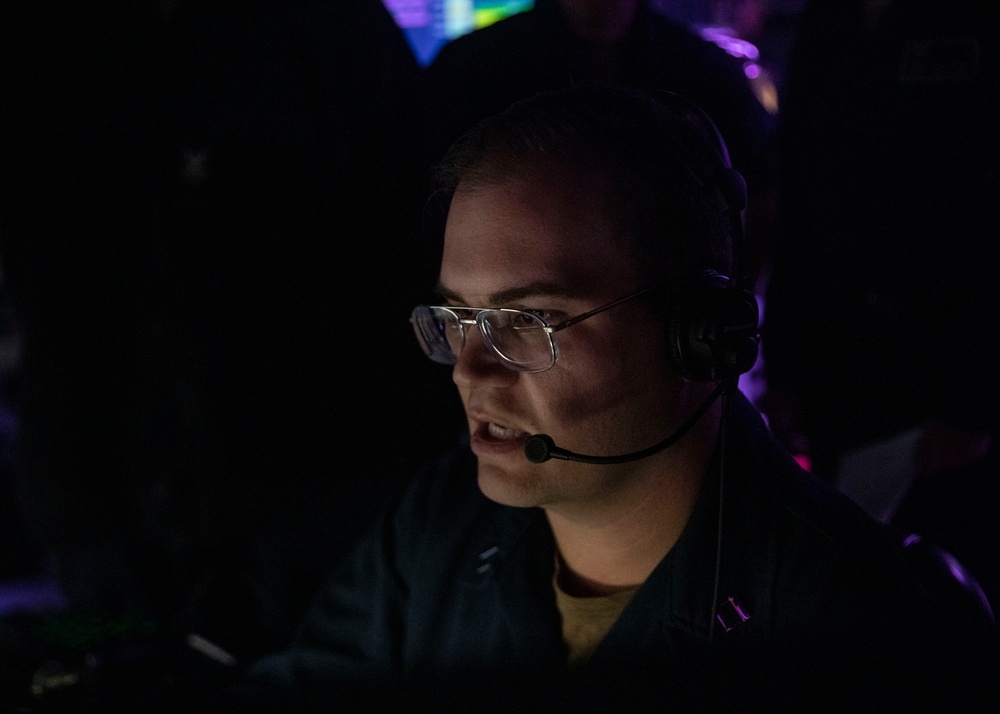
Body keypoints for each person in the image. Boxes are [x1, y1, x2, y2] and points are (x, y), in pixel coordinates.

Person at [238, 84, 998, 710]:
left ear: (698, 336)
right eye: (457, 319)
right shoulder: (437, 528)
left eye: (529, 321)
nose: (469, 369)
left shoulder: (876, 627)